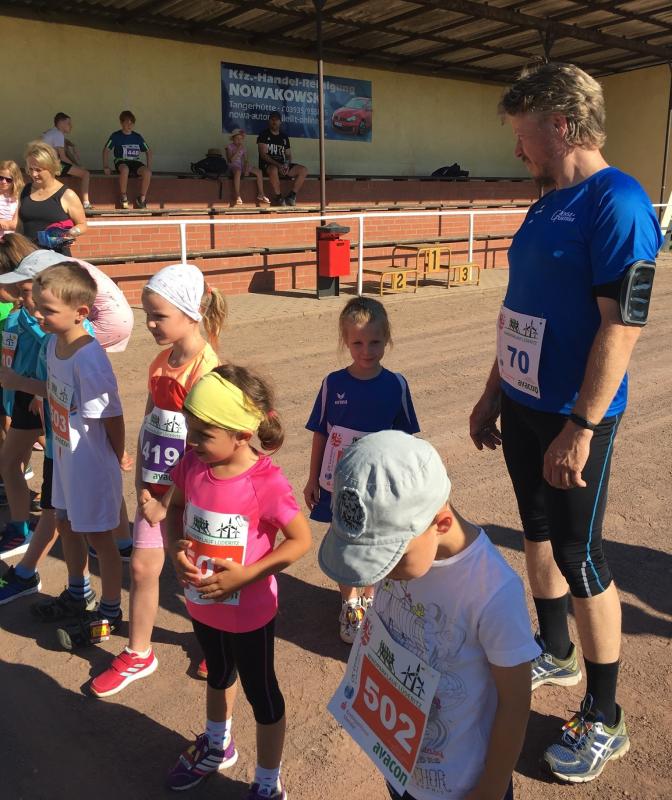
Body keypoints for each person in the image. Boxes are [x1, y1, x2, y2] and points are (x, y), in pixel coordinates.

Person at [468, 62, 663, 784]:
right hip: (522, 404)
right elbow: (520, 308)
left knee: (580, 555)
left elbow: (622, 326)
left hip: (575, 417)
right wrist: (494, 390)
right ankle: (556, 650)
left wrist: (580, 425)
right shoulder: (546, 202)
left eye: (522, 134)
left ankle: (605, 716)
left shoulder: (619, 202)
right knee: (536, 530)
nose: (517, 148)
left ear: (559, 124)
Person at [319, 431, 540, 800]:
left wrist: (490, 789)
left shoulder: (492, 592)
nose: (381, 576)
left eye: (391, 559)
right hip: (402, 765)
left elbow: (515, 703)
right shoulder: (409, 559)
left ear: (440, 523)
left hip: (462, 785)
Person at [165, 365, 311, 797]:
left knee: (261, 694)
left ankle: (268, 783)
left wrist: (246, 575)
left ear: (242, 435)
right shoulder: (193, 464)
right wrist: (175, 549)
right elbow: (176, 509)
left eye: (203, 433)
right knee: (218, 673)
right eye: (190, 428)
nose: (191, 440)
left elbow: (300, 540)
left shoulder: (265, 482)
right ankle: (217, 745)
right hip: (202, 602)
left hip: (249, 614)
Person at [89, 263, 227, 698]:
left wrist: (168, 503)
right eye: (147, 314)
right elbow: (152, 424)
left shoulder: (207, 372)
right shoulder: (160, 362)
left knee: (199, 572)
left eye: (158, 316)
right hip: (157, 488)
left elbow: (204, 447)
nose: (149, 324)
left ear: (190, 313)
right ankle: (139, 652)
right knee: (143, 567)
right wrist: (144, 486)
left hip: (194, 495)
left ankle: (217, 643)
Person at [304, 297, 419, 644]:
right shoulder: (333, 383)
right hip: (338, 482)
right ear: (345, 341)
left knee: (375, 540)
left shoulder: (396, 385)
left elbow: (406, 440)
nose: (366, 351)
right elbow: (321, 432)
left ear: (387, 340)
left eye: (375, 342)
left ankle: (369, 596)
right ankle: (350, 602)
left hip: (379, 484)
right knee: (344, 539)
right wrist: (312, 478)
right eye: (357, 343)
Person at [29, 264, 126, 652]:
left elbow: (112, 415)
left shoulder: (90, 358)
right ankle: (77, 592)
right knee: (66, 525)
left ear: (80, 312)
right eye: (38, 306)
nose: (39, 314)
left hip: (91, 465)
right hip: (66, 459)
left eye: (48, 310)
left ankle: (111, 609)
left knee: (100, 538)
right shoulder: (53, 344)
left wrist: (119, 454)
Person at [19, 141, 87, 256]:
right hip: (29, 258)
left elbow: (82, 224)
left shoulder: (67, 195)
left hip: (57, 260)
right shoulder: (24, 191)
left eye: (38, 170)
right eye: (30, 169)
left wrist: (72, 233)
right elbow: (19, 225)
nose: (33, 174)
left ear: (51, 167)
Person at [103, 110, 152, 210]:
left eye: (132, 123)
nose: (129, 125)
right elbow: (106, 150)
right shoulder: (116, 136)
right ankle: (123, 196)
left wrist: (149, 167)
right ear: (121, 123)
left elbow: (148, 151)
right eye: (127, 122)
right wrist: (106, 166)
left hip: (135, 162)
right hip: (121, 161)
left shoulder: (137, 137)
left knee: (147, 172)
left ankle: (142, 198)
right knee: (125, 169)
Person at [41, 113, 93, 209]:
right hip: (52, 165)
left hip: (44, 163)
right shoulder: (58, 134)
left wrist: (71, 145)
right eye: (68, 123)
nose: (71, 126)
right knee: (85, 174)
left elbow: (63, 144)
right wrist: (77, 167)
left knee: (69, 156)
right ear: (61, 123)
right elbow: (63, 157)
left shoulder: (51, 132)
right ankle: (86, 203)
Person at [257, 111, 307, 207]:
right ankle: (278, 196)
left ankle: (292, 196)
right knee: (274, 169)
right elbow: (263, 155)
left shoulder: (284, 137)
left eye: (276, 120)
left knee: (303, 170)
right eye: (272, 119)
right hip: (267, 165)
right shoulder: (263, 135)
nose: (274, 122)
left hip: (282, 165)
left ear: (280, 122)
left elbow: (288, 155)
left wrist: (286, 165)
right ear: (269, 121)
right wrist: (279, 165)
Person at [226, 129, 269, 206]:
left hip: (241, 165)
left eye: (241, 139)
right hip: (233, 166)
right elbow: (231, 160)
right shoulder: (229, 147)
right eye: (237, 138)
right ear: (233, 139)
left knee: (259, 172)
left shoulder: (243, 148)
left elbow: (245, 160)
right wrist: (238, 150)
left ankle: (261, 193)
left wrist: (245, 169)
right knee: (238, 171)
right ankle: (237, 195)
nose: (239, 140)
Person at [0, 160, 24, 236]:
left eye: (8, 180)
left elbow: (16, 225)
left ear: (15, 180)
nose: (3, 182)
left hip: (10, 239)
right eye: (1, 178)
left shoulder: (20, 197)